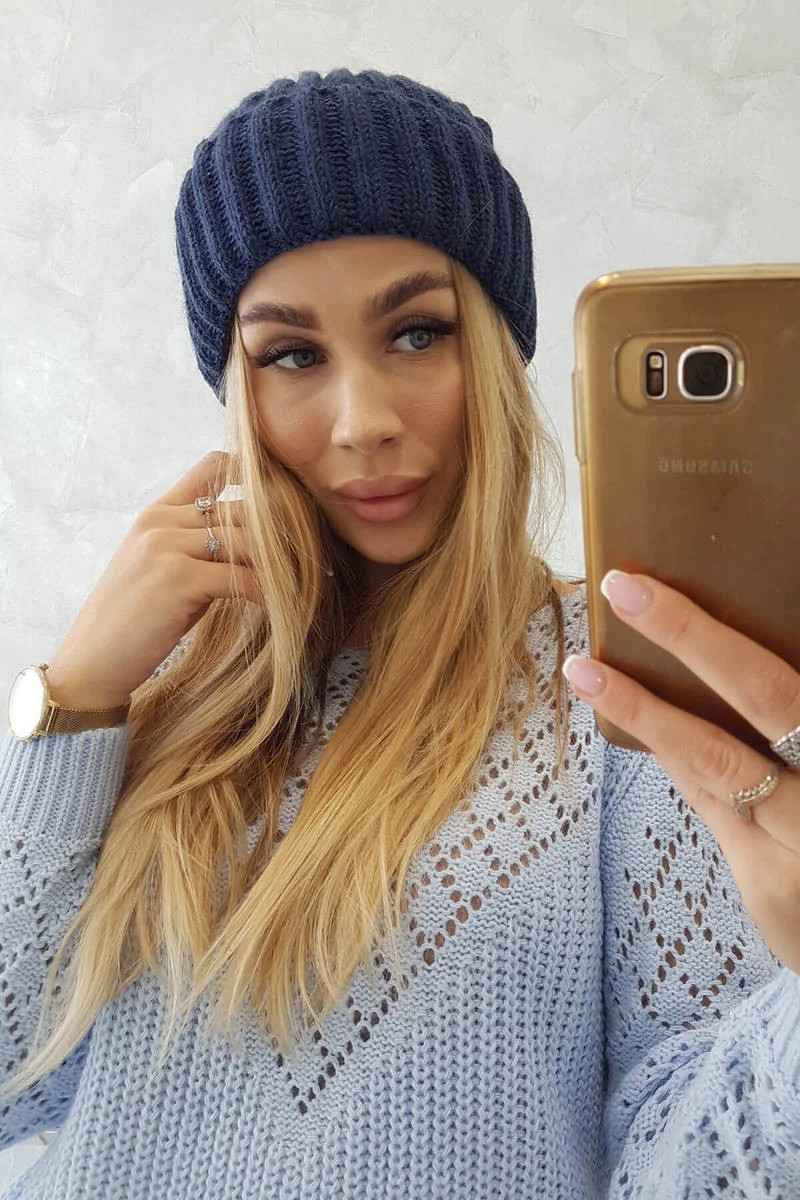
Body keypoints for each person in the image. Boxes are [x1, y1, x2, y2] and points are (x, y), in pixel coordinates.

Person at [1, 68, 798, 1200]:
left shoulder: (615, 687)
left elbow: (678, 1163)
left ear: (496, 353)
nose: (362, 421)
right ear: (237, 388)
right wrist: (73, 703)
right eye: (292, 354)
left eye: (417, 333)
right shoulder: (154, 675)